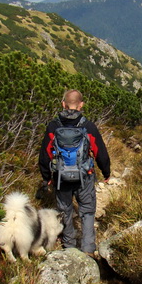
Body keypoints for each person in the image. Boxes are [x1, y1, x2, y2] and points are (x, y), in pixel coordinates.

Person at [38, 89, 110, 256]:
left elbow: (45, 154)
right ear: (81, 105)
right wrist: (106, 172)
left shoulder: (53, 126)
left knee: (65, 210)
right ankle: (88, 248)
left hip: (61, 178)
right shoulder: (88, 126)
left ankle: (69, 246)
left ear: (63, 104)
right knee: (87, 210)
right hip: (84, 177)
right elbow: (100, 151)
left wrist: (46, 177)